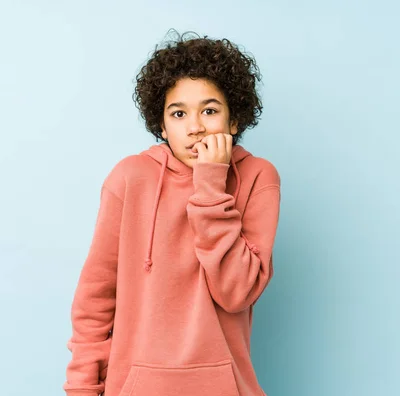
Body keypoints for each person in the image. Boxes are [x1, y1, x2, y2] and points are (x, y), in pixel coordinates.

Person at [63, 30, 281, 396]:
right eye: (178, 113)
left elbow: (236, 292)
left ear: (234, 121)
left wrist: (211, 183)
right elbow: (96, 297)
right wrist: (82, 388)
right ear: (162, 126)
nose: (195, 127)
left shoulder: (258, 177)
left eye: (209, 111)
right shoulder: (130, 177)